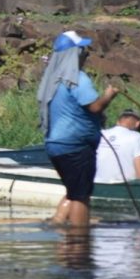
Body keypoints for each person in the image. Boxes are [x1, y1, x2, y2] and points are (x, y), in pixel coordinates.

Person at [37, 30, 119, 226]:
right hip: (75, 146)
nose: (86, 54)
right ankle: (79, 242)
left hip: (55, 146)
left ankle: (59, 226)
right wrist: (109, 95)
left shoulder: (52, 80)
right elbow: (95, 106)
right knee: (81, 196)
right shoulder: (77, 78)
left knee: (73, 190)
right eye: (83, 50)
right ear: (75, 54)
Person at [95, 109, 140, 182]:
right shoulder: (137, 136)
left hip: (95, 184)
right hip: (123, 187)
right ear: (138, 124)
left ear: (118, 122)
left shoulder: (101, 134)